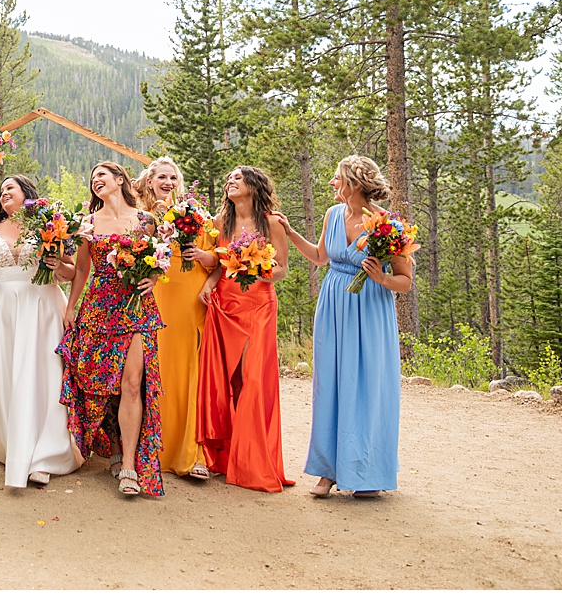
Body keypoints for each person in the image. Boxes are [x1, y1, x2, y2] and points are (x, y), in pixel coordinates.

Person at [272, 156, 411, 499]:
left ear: (355, 184)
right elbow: (321, 257)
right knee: (330, 384)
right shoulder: (332, 215)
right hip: (333, 305)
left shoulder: (387, 225)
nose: (332, 183)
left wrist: (382, 278)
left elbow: (405, 282)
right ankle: (327, 471)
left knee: (368, 386)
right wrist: (289, 233)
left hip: (370, 309)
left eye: (337, 178)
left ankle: (367, 472)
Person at [0, 176, 83, 488]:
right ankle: (9, 444)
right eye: (1, 190)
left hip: (41, 308)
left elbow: (71, 271)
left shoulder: (48, 225)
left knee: (43, 377)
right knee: (7, 376)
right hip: (4, 311)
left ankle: (45, 454)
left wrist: (57, 264)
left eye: (9, 189)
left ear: (26, 194)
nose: (3, 194)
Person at [59, 161, 165, 497]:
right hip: (98, 306)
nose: (96, 181)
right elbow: (81, 269)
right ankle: (114, 445)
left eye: (102, 175)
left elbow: (160, 259)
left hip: (136, 307)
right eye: (92, 179)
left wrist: (154, 276)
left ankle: (131, 465)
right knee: (103, 383)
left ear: (120, 180)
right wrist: (71, 305)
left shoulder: (146, 220)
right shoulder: (87, 224)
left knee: (132, 382)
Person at [196, 166, 294, 492]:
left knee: (254, 380)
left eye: (237, 178)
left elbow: (280, 269)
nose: (230, 182)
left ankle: (254, 462)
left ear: (253, 185)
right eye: (228, 179)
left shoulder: (273, 223)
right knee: (229, 380)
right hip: (224, 304)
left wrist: (257, 267)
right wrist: (209, 284)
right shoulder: (220, 223)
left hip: (259, 305)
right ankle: (226, 457)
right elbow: (218, 263)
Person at [133, 156, 214, 481]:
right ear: (150, 181)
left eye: (172, 177)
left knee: (189, 371)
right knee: (156, 372)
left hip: (190, 297)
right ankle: (152, 448)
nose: (167, 182)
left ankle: (191, 452)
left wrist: (201, 257)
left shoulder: (194, 214)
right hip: (157, 296)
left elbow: (215, 260)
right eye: (161, 177)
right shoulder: (142, 217)